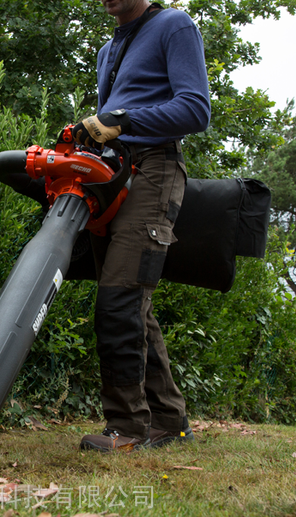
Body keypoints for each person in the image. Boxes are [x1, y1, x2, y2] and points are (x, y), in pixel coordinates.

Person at [73, 0, 211, 452]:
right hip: (114, 173)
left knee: (119, 299)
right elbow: (110, 123)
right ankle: (170, 421)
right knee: (132, 304)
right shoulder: (107, 49)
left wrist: (124, 120)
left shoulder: (174, 25)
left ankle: (127, 430)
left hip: (155, 169)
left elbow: (195, 110)